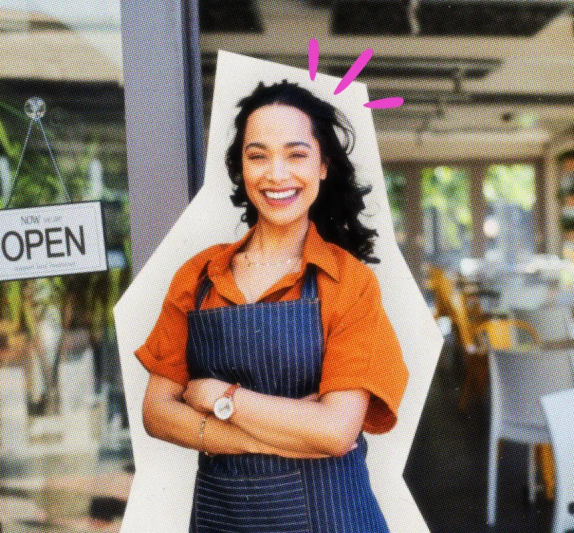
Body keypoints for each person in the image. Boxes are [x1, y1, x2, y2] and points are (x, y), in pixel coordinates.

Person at [135, 80, 409, 533]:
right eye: (257, 155)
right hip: (225, 520)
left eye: (296, 154)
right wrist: (287, 431)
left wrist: (219, 398)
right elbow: (157, 412)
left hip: (334, 519)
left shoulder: (348, 282)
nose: (276, 173)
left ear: (323, 166)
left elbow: (336, 431)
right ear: (241, 168)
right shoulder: (199, 276)